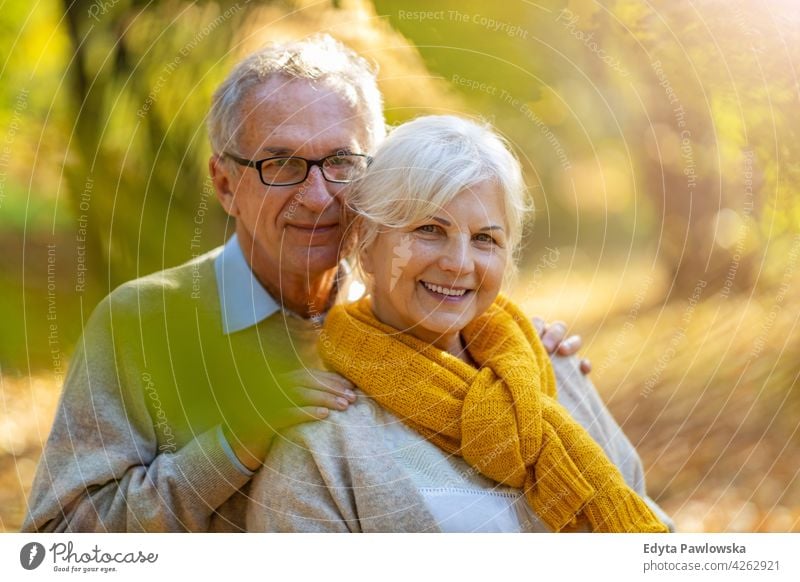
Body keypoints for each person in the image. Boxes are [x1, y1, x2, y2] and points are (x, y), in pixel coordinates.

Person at [22, 36, 584, 533]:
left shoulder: (404, 308)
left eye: (341, 161)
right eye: (282, 165)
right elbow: (57, 545)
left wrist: (528, 362)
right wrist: (234, 442)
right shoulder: (141, 326)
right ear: (225, 184)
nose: (318, 198)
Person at [247, 115, 673, 533]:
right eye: (429, 229)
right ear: (366, 244)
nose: (458, 263)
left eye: (485, 238)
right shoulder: (318, 439)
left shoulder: (550, 364)